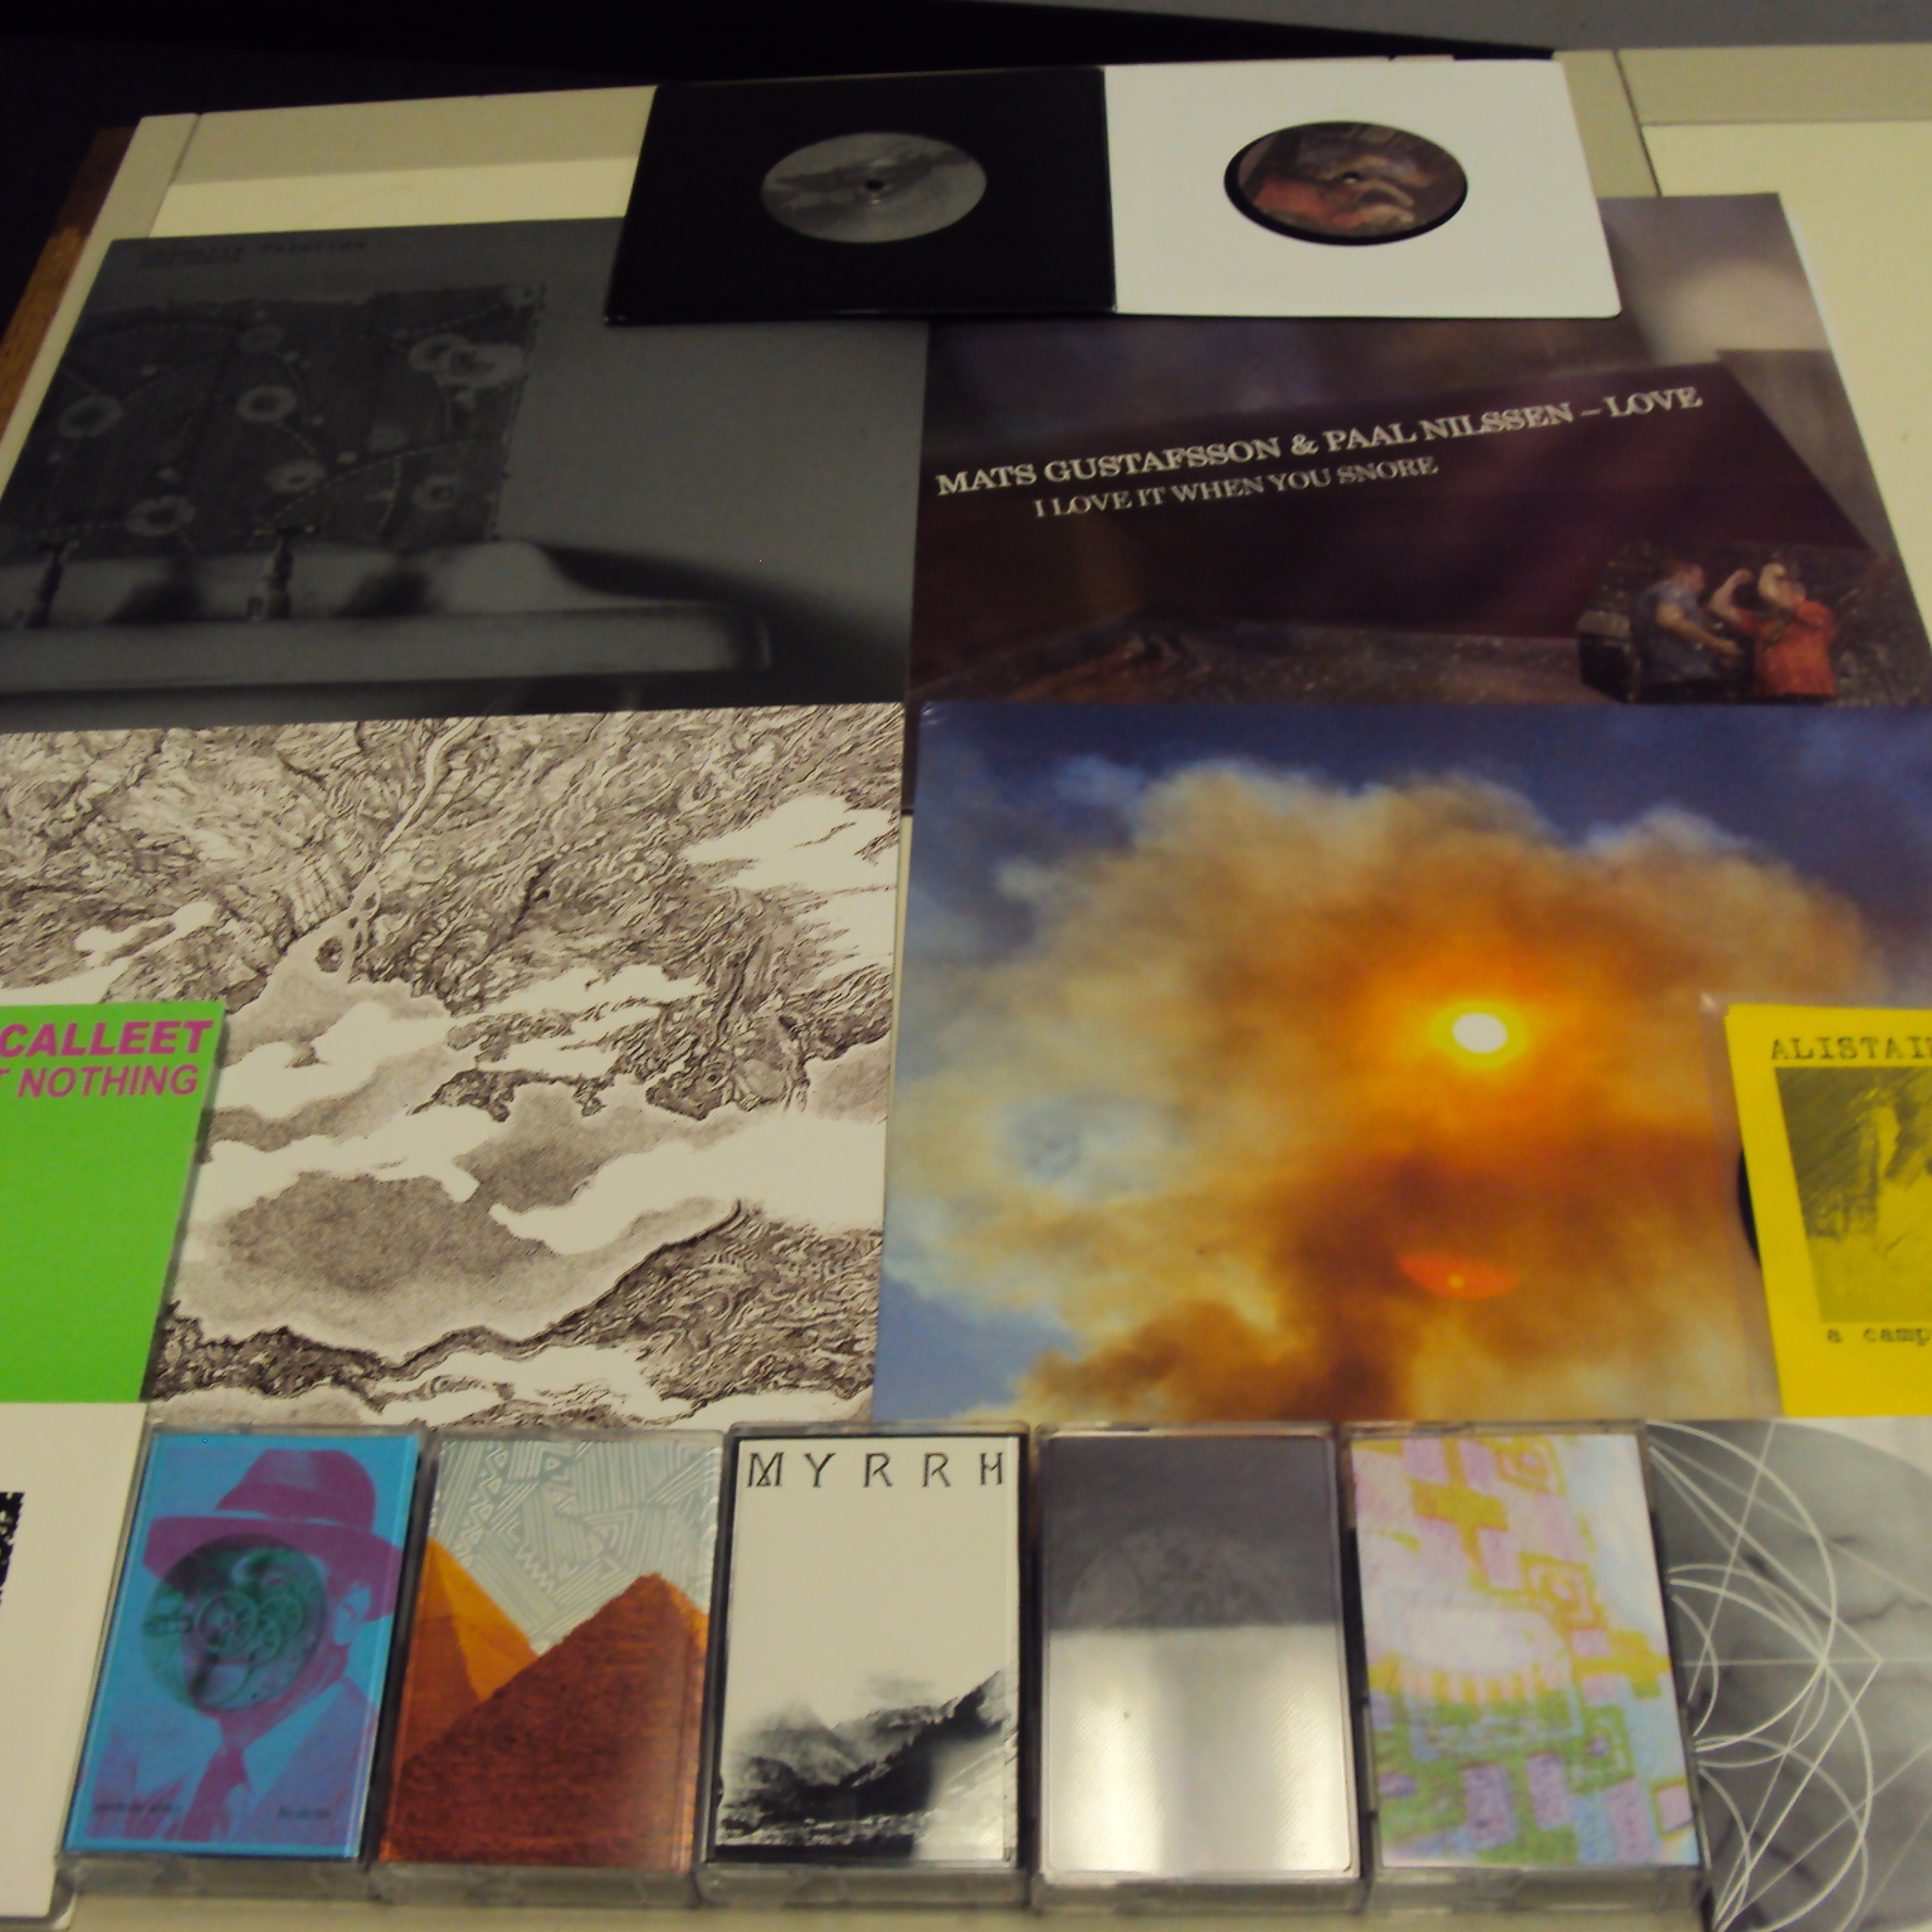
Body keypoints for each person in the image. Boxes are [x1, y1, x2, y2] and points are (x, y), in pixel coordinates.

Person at [82, 1447, 401, 1848]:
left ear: (348, 1614)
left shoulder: (383, 1783)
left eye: (273, 1583)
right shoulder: (152, 1808)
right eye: (209, 1581)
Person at [1710, 558, 1839, 701]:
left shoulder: (1816, 611)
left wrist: (1768, 573)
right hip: (1771, 695)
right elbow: (1718, 606)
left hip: (1809, 692)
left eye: (1781, 581)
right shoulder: (1764, 621)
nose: (1776, 586)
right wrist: (1735, 580)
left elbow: (1773, 596)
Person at [1629, 559, 1743, 702]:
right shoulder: (1673, 589)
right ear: (1682, 575)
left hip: (1656, 682)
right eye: (1700, 579)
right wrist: (1718, 644)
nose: (1703, 586)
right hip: (1684, 685)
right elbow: (1669, 620)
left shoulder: (1648, 597)